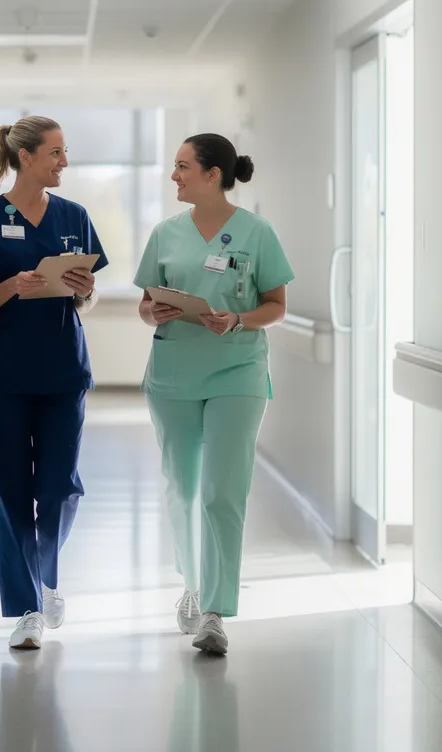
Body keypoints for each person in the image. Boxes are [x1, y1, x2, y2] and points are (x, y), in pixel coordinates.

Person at [0, 115, 108, 650]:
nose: (64, 162)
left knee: (61, 487)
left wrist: (82, 288)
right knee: (9, 491)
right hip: (1, 371)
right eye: (56, 153)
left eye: (65, 152)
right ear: (27, 158)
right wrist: (12, 286)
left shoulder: (74, 216)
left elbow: (83, 295)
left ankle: (44, 572)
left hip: (63, 366)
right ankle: (27, 608)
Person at [133, 134, 294, 655]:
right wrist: (152, 310)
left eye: (182, 167)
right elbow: (144, 303)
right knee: (182, 489)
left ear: (213, 174)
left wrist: (240, 320)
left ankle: (214, 611)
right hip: (174, 373)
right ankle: (193, 584)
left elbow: (276, 304)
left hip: (237, 372)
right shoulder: (165, 233)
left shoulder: (256, 232)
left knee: (223, 491)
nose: (174, 175)